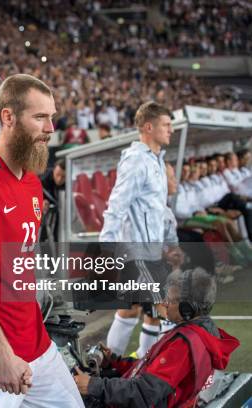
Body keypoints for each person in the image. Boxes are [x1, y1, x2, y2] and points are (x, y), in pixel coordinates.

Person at [0, 74, 83, 407]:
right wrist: (3, 354)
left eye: (51, 116)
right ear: (8, 117)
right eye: (40, 117)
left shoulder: (32, 183)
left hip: (37, 344)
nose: (51, 128)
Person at [74, 268, 240, 407]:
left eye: (171, 300)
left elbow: (144, 393)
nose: (165, 303)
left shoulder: (184, 344)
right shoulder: (198, 332)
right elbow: (148, 370)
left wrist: (93, 386)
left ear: (187, 308)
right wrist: (115, 361)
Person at [100, 101, 173, 359]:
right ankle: (110, 366)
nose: (171, 130)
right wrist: (106, 245)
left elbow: (159, 208)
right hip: (137, 250)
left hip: (153, 249)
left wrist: (170, 241)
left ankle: (137, 363)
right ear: (149, 127)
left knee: (145, 310)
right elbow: (117, 204)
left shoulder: (156, 160)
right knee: (154, 307)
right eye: (166, 124)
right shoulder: (135, 160)